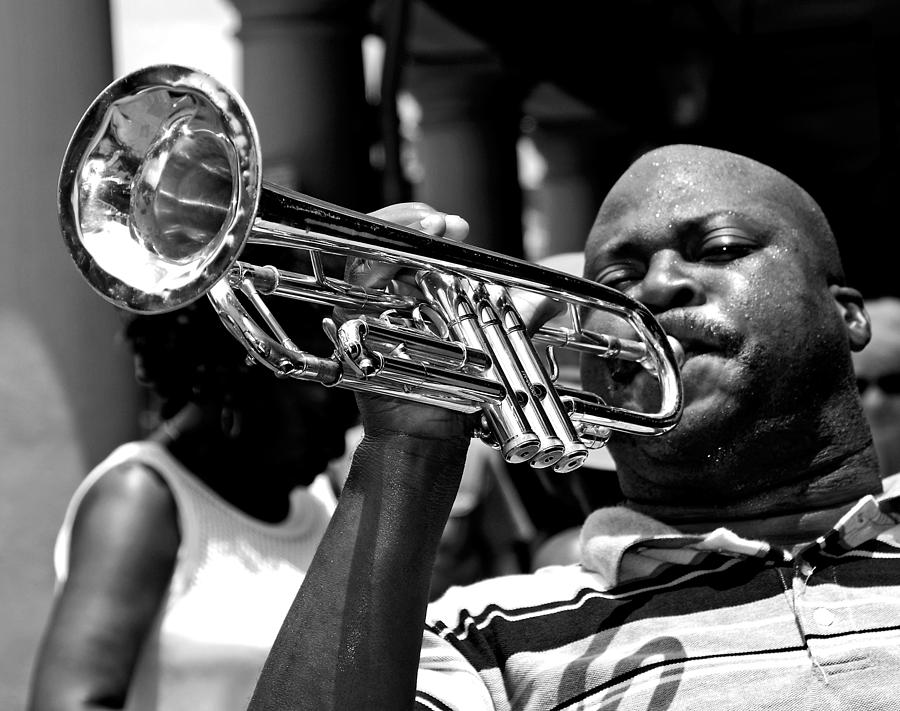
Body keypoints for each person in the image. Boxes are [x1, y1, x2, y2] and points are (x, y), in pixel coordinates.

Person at [245, 143, 900, 709]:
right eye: (617, 278)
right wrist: (408, 445)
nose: (660, 285)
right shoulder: (485, 637)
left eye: (720, 248)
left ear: (848, 314)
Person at [26, 285, 359, 711]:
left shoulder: (320, 508)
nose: (336, 448)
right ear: (243, 375)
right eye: (319, 418)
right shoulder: (141, 498)